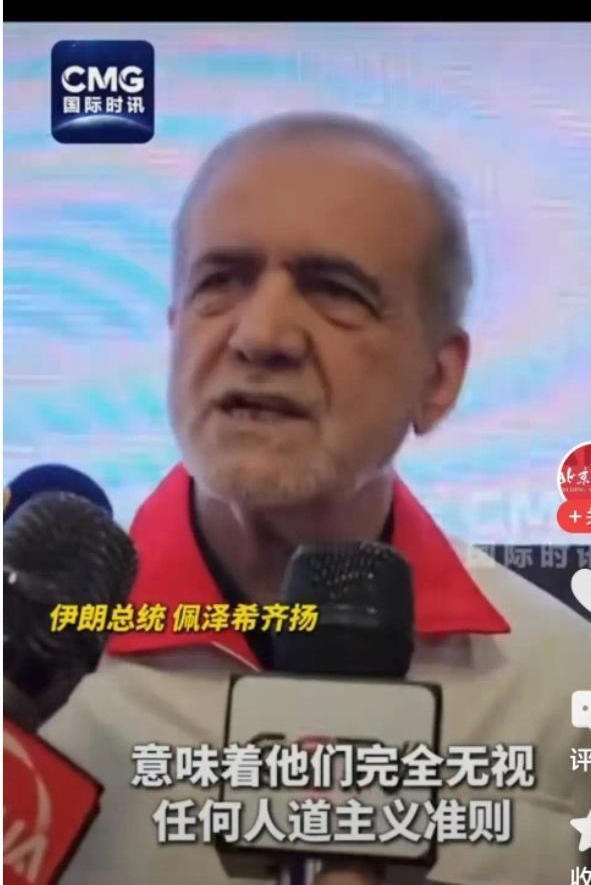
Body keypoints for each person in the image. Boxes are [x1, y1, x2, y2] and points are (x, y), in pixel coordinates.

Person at [41, 112, 591, 884]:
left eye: (335, 291)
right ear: (174, 330)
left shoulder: (563, 684)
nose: (261, 334)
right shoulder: (28, 672)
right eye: (219, 281)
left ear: (437, 378)